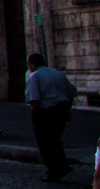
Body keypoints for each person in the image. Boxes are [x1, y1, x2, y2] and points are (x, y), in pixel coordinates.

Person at [25, 53, 77, 182]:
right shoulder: (58, 74)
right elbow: (71, 92)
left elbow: (34, 99)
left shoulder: (35, 76)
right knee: (55, 139)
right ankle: (62, 165)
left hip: (45, 111)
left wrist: (36, 113)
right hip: (61, 109)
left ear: (32, 64)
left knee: (45, 142)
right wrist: (68, 110)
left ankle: (54, 169)